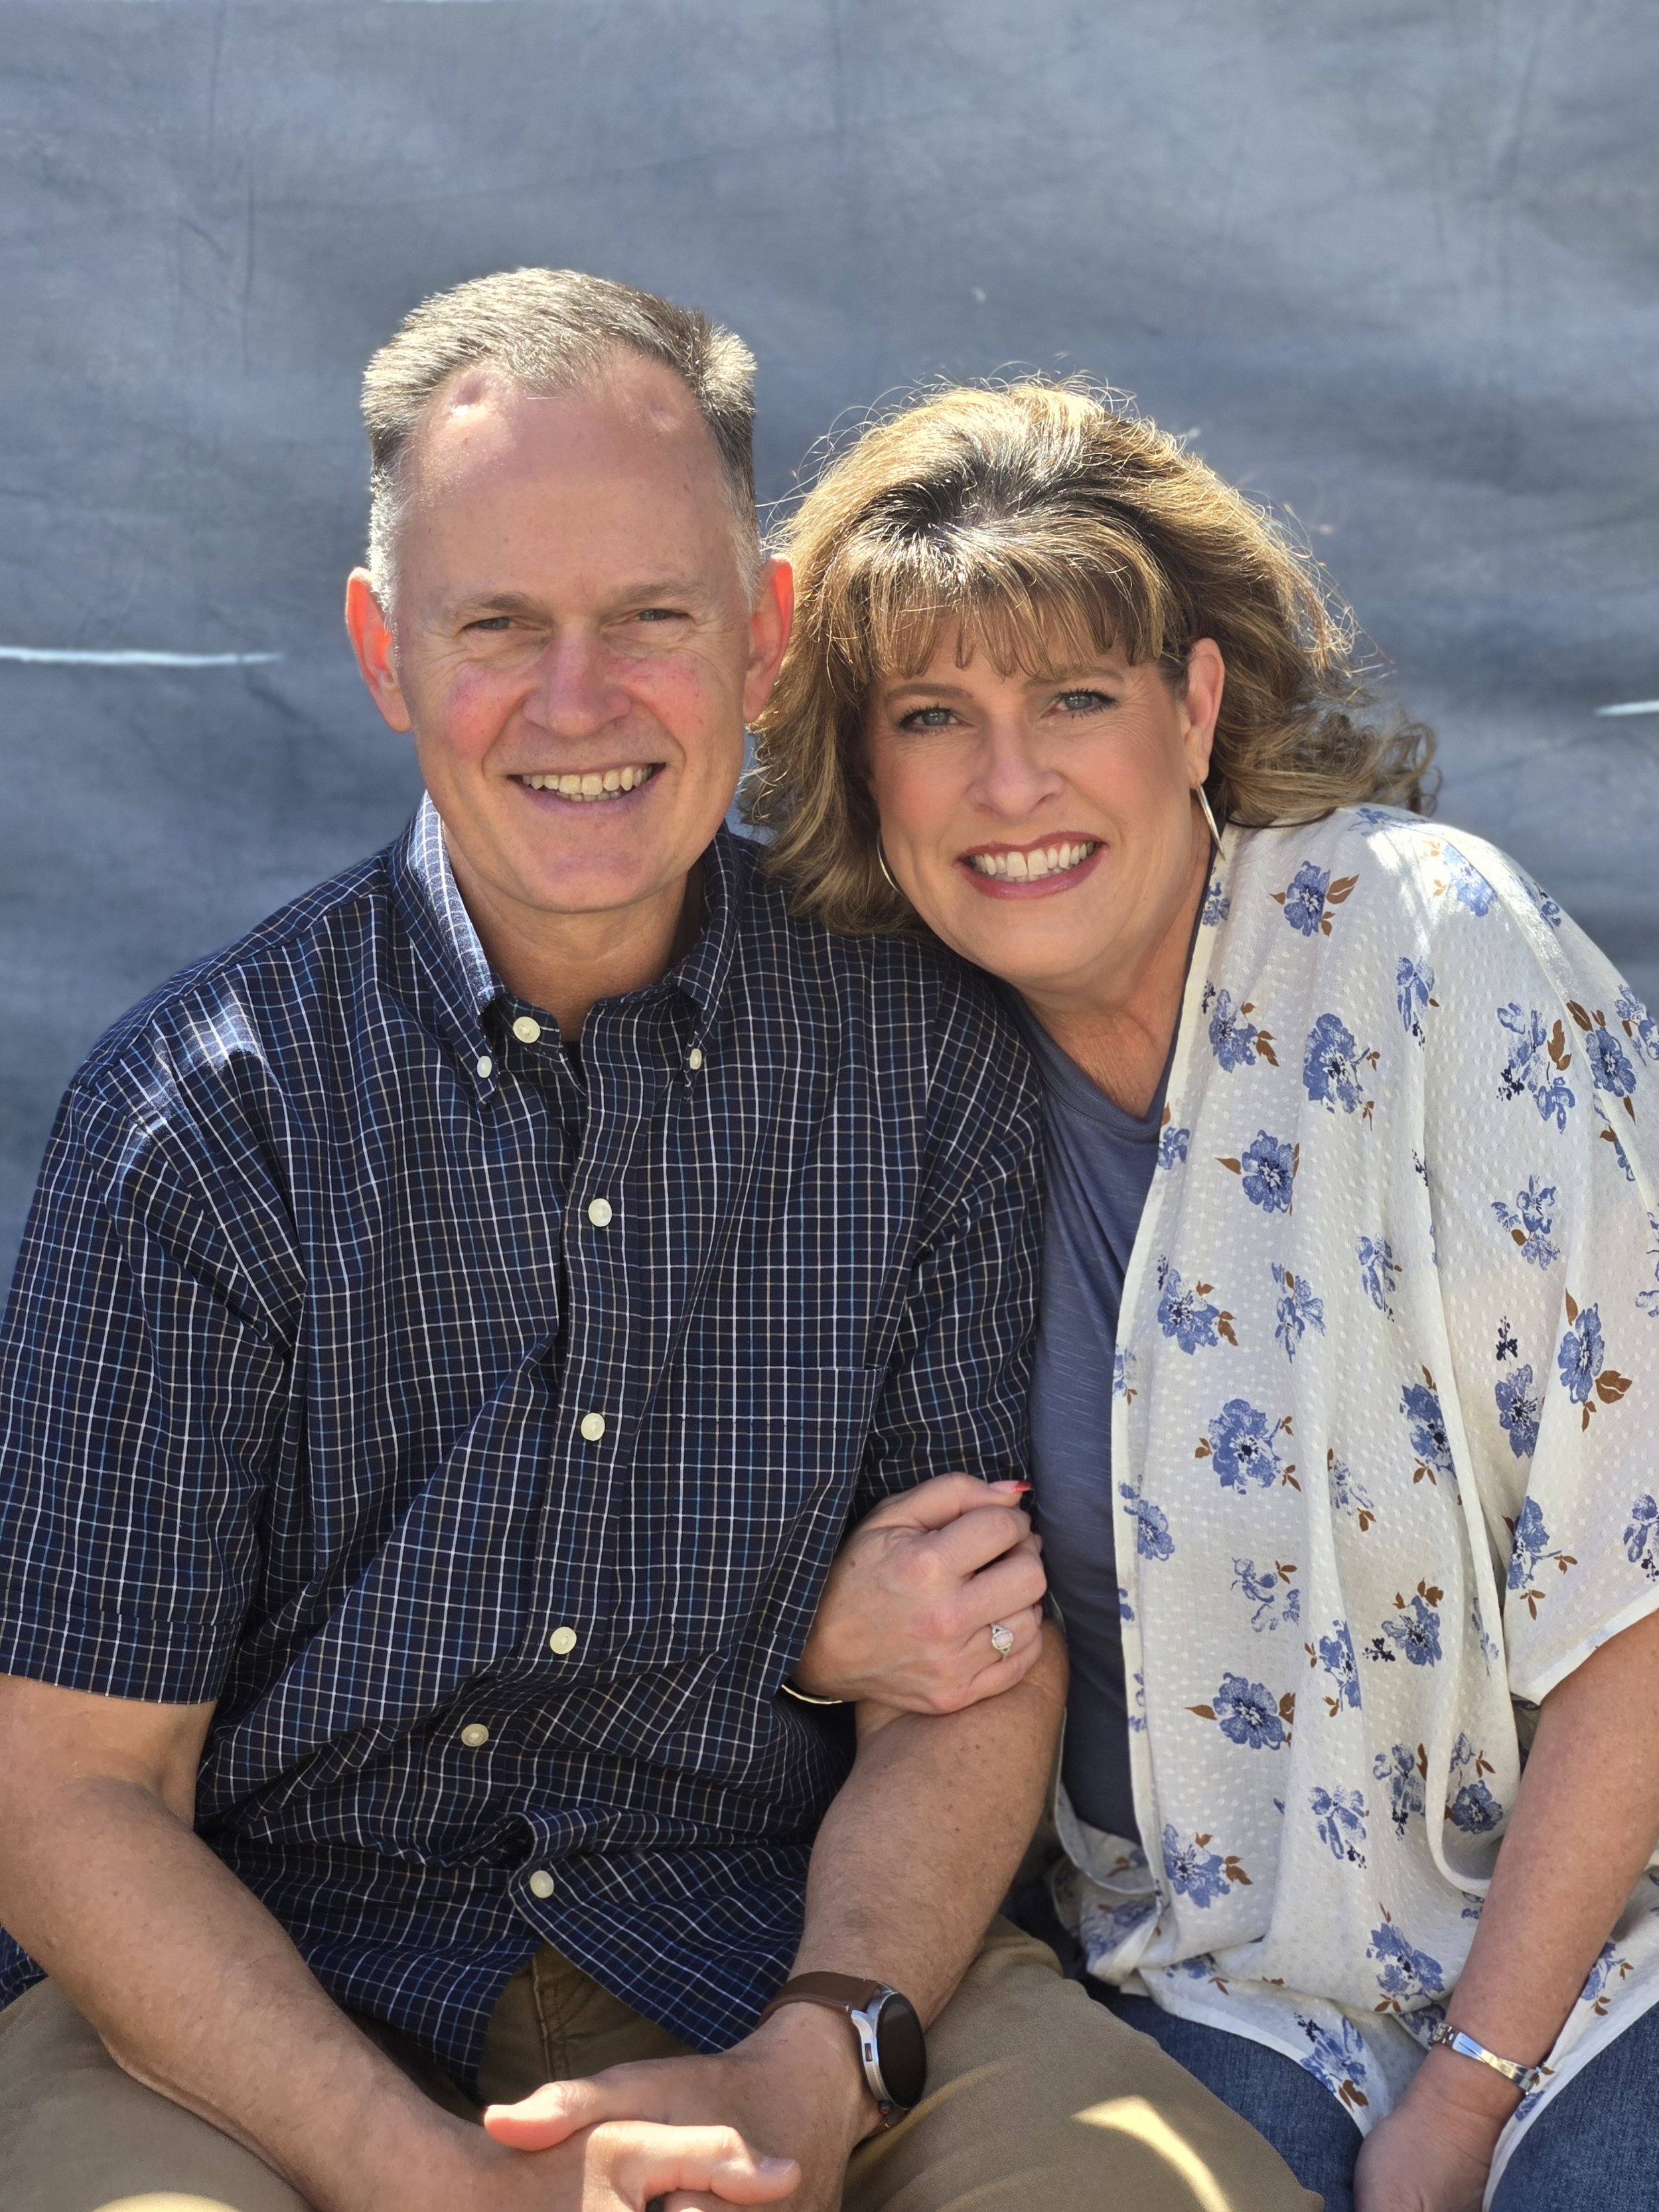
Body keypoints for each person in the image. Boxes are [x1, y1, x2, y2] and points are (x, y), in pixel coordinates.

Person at [0, 275, 1315, 2212]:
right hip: (269, 1995)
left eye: (651, 619)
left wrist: (821, 2054)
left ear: (764, 636)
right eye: (497, 627)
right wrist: (423, 2179)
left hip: (793, 1942)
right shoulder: (199, 1119)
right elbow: (75, 1797)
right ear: (384, 651)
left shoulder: (921, 1055)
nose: (578, 702)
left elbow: (968, 1673)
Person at [747, 379, 1659, 2212]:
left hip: (1605, 1940)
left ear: (1197, 706)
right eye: (934, 717)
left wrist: (1463, 2104)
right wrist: (806, 1634)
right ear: (865, 769)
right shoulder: (879, 1085)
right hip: (1209, 1975)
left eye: (1074, 698)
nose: (1010, 784)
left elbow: (1641, 1587)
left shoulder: (1428, 951)